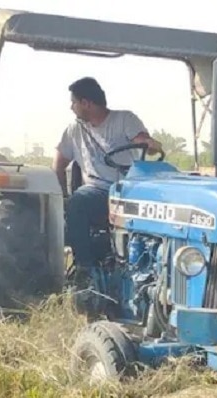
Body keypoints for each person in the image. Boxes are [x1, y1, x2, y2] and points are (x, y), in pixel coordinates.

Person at [52, 76, 162, 273]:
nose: (71, 107)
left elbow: (143, 141)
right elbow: (58, 165)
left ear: (86, 103)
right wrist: (63, 198)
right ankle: (86, 269)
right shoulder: (73, 130)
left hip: (129, 189)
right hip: (98, 190)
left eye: (73, 102)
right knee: (78, 203)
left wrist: (150, 145)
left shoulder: (124, 120)